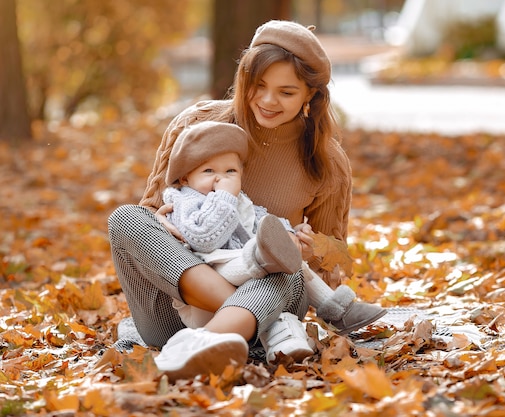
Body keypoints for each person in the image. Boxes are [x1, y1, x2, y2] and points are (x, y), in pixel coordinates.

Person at [107, 20, 385, 381]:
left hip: (267, 310)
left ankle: (206, 342)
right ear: (244, 79)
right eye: (259, 86)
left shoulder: (327, 162)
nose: (268, 101)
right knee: (126, 219)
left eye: (286, 92)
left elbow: (330, 262)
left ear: (310, 96)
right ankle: (207, 337)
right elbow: (150, 210)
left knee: (283, 262)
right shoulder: (199, 123)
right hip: (178, 315)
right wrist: (161, 221)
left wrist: (308, 250)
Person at [162, 120, 385, 362]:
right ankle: (268, 265)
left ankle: (336, 309)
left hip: (250, 289)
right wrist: (225, 196)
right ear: (185, 178)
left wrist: (293, 233)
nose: (220, 179)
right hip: (207, 288)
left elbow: (267, 224)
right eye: (209, 171)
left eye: (230, 172)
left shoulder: (242, 202)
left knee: (284, 256)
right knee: (271, 257)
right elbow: (204, 239)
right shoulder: (184, 201)